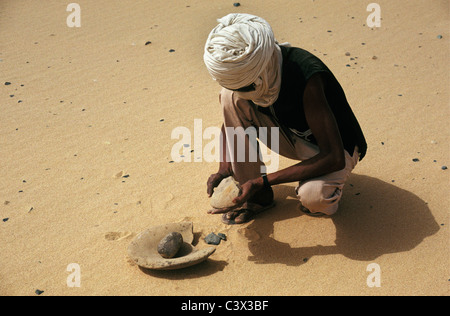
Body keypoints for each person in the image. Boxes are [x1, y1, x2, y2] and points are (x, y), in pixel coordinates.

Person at [203, 13, 367, 224]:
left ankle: (272, 186)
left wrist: (261, 181)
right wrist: (225, 168)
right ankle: (258, 199)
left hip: (333, 148)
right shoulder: (252, 73)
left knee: (314, 198)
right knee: (229, 97)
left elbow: (333, 156)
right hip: (287, 132)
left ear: (259, 71)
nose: (243, 92)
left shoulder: (305, 76)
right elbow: (231, 122)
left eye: (245, 86)